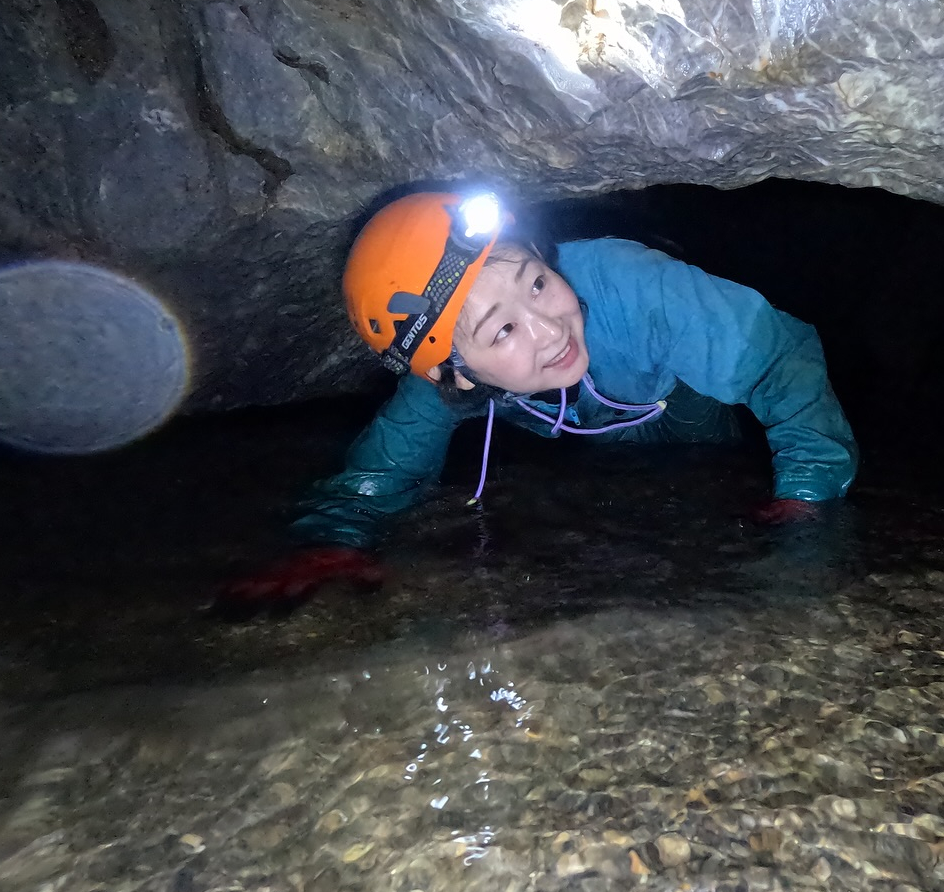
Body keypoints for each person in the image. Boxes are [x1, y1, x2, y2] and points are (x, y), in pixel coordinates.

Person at [222, 191, 858, 608]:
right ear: (458, 375)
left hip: (681, 406)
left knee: (700, 458)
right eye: (502, 329)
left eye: (536, 281)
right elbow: (382, 469)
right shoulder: (446, 384)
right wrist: (333, 538)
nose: (548, 327)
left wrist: (803, 495)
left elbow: (781, 355)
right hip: (593, 435)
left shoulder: (634, 284)